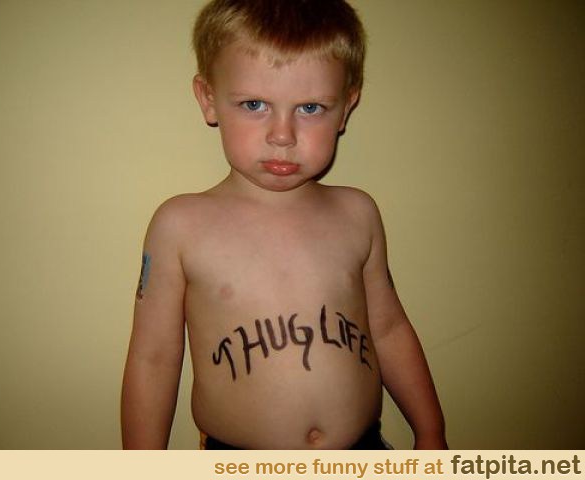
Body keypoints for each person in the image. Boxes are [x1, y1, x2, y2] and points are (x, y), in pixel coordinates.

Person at [121, 0, 447, 450]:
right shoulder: (180, 226)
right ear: (209, 100)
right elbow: (153, 359)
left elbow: (389, 329)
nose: (282, 135)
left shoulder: (358, 214)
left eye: (310, 107)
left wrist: (430, 431)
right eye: (254, 104)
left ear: (346, 108)